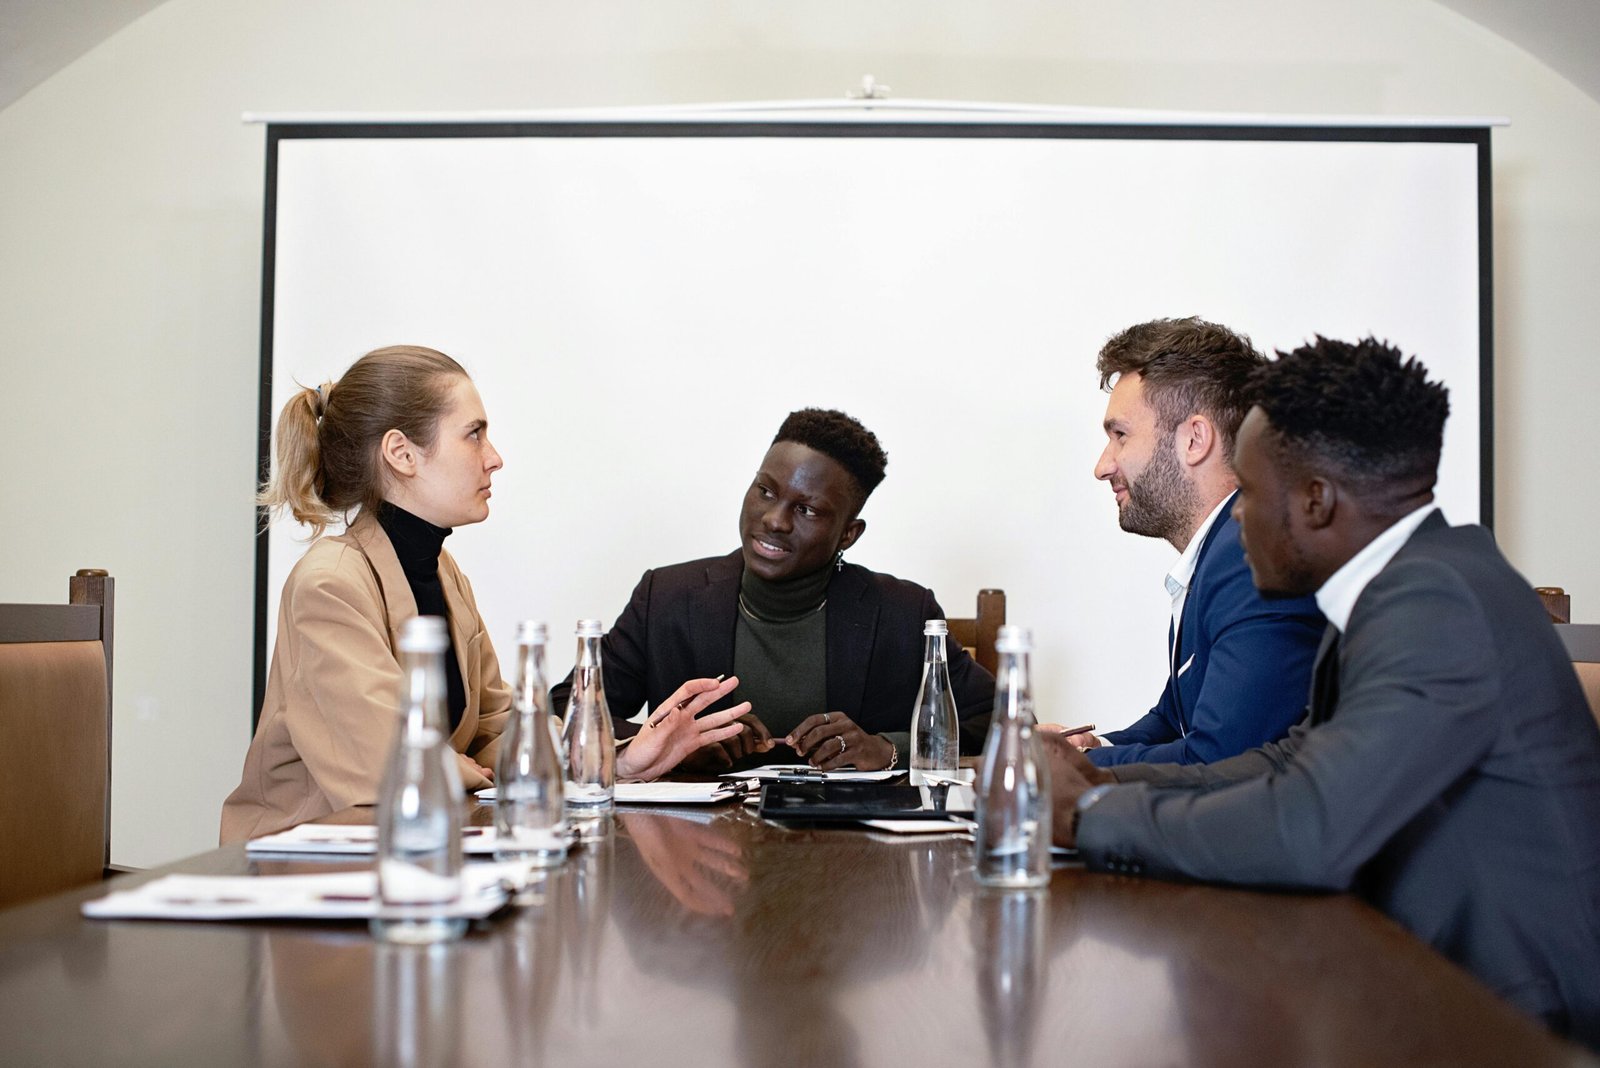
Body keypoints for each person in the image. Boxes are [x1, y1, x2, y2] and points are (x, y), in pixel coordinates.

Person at [1046, 337, 1600, 1046]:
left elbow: (1311, 828)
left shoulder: (1436, 599)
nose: (1235, 518)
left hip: (1512, 1021)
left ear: (1315, 500)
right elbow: (1291, 762)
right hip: (1420, 977)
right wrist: (1095, 779)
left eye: (1247, 492)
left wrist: (1088, 817)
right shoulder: (1406, 584)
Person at [220, 345, 748, 843]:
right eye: (473, 434)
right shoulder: (329, 582)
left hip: (414, 855)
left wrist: (618, 758)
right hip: (304, 876)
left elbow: (498, 726)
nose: (494, 458)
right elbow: (388, 766)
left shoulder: (443, 571)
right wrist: (469, 767)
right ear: (401, 453)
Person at [551, 408, 994, 772]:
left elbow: (1003, 722)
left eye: (807, 509)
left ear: (848, 534)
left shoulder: (902, 613)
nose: (775, 520)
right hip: (696, 860)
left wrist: (888, 749)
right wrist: (674, 741)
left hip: (851, 860)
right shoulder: (666, 598)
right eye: (765, 491)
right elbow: (566, 711)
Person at [1052, 317, 1324, 766]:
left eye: (1120, 436)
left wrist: (1065, 768)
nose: (1103, 466)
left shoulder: (1252, 559)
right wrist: (1087, 748)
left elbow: (1221, 760)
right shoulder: (1222, 550)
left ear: (1195, 440)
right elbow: (1173, 719)